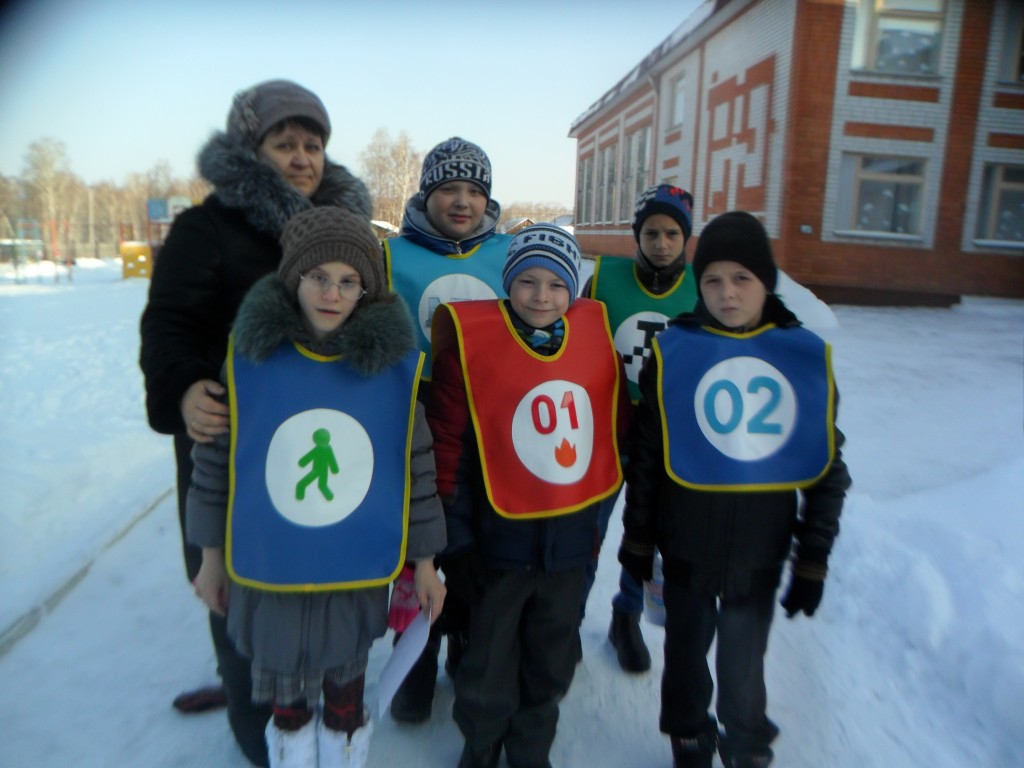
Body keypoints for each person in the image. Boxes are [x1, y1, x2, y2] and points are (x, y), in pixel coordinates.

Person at [138, 79, 372, 766]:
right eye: (284, 143)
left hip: (319, 440)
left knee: (312, 575)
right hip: (230, 442)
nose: (302, 158)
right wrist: (185, 387)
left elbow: (370, 315)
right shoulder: (205, 229)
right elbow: (168, 324)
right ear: (250, 149)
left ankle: (307, 692)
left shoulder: (344, 230)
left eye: (313, 144)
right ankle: (257, 724)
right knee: (238, 585)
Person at [187, 206, 447, 768]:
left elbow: (415, 472)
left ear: (366, 289)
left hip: (350, 576)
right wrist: (209, 556)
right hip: (271, 575)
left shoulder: (389, 374)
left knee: (345, 689)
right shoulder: (251, 363)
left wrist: (424, 562)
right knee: (286, 698)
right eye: (319, 276)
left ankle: (343, 752)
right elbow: (216, 465)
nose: (333, 293)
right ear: (293, 277)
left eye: (349, 281)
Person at [617, 211, 852, 768]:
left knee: (744, 663)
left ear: (766, 282)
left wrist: (813, 555)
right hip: (686, 544)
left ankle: (746, 740)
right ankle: (689, 735)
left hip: (759, 549)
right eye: (713, 280)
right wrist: (638, 537)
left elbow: (826, 464)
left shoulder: (798, 357)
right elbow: (648, 457)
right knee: (685, 654)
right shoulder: (675, 352)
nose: (727, 293)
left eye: (742, 278)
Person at [429, 225, 630, 768]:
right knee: (487, 661)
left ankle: (530, 748)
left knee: (550, 659)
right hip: (496, 546)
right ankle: (481, 743)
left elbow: (610, 442)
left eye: (557, 285)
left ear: (574, 290)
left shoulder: (594, 346)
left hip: (567, 548)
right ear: (507, 282)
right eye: (527, 281)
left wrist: (591, 531)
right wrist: (458, 544)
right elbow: (448, 452)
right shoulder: (470, 350)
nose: (542, 296)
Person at [382, 137, 512, 723]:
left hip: (489, 425)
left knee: (477, 547)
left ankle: (466, 645)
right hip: (415, 421)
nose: (462, 202)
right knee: (420, 549)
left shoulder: (508, 254)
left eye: (474, 191)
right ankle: (413, 663)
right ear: (426, 193)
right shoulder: (391, 257)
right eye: (449, 189)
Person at [579, 183, 698, 673]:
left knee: (649, 536)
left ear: (686, 237)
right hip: (606, 432)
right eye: (651, 233)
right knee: (588, 533)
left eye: (672, 233)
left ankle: (625, 615)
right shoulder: (604, 279)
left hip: (668, 440)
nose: (661, 243)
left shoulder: (702, 288)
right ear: (637, 235)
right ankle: (565, 618)